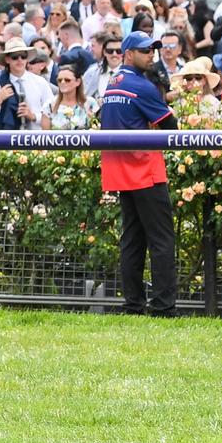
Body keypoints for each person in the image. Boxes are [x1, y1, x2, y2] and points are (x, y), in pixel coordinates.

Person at [98, 31, 179, 316]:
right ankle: (163, 307)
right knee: (161, 240)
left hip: (120, 173)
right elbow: (172, 126)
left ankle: (133, 304)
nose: (152, 55)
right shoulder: (142, 86)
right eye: (146, 51)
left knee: (132, 240)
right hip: (144, 170)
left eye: (153, 50)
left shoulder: (112, 84)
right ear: (128, 53)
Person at [0, 38, 53, 131]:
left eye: (23, 56)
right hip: (8, 140)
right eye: (15, 56)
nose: (20, 60)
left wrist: (33, 116)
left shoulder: (40, 82)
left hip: (35, 140)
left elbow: (52, 115)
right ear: (7, 59)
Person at [41, 65, 96, 130]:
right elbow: (45, 136)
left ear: (78, 82)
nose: (63, 82)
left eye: (67, 80)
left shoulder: (90, 103)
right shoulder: (49, 105)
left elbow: (96, 130)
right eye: (59, 80)